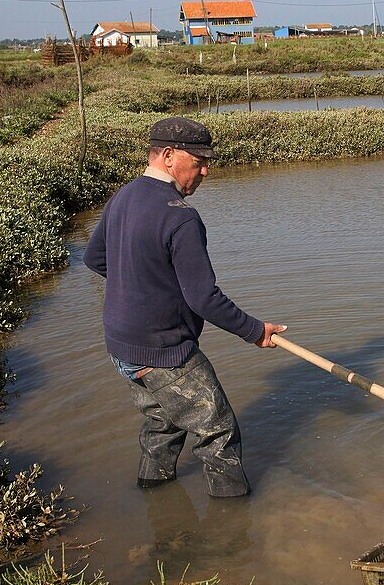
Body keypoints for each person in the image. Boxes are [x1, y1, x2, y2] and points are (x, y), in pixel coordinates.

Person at [83, 117, 286, 497]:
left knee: (163, 422)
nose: (206, 170)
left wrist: (142, 284)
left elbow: (95, 259)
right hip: (163, 352)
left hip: (121, 346)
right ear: (169, 156)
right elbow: (204, 298)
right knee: (218, 430)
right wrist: (256, 331)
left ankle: (153, 494)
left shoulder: (123, 195)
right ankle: (233, 528)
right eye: (199, 161)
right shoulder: (180, 216)